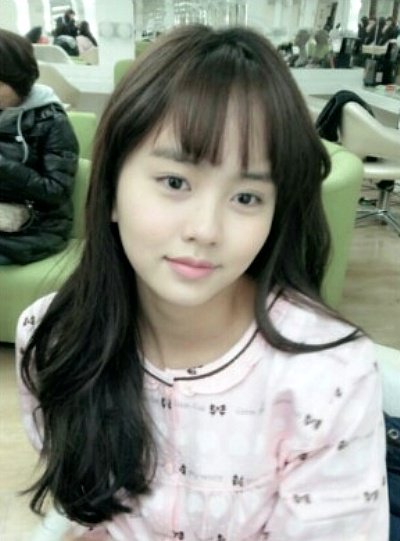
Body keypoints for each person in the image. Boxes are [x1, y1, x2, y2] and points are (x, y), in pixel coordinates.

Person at [18, 24, 388, 540]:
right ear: (112, 189)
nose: (206, 230)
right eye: (175, 182)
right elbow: (86, 509)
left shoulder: (327, 376)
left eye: (246, 198)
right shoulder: (53, 338)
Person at [0, 29, 78, 265]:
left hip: (37, 225)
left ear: (18, 81)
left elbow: (56, 191)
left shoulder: (51, 121)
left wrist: (4, 167)